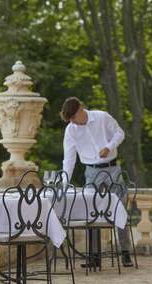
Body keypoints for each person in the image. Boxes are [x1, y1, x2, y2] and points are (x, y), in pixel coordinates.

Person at [60, 97, 133, 268]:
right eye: (69, 119)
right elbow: (69, 158)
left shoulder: (102, 117)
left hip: (113, 169)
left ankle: (125, 252)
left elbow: (120, 133)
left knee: (120, 208)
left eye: (73, 117)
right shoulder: (71, 130)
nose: (72, 122)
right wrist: (64, 182)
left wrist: (109, 146)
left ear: (80, 109)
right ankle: (94, 255)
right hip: (91, 173)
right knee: (91, 212)